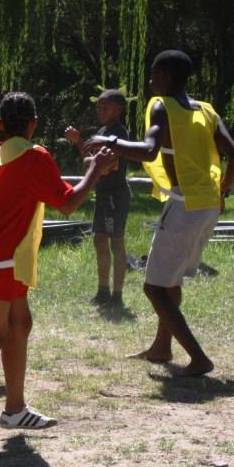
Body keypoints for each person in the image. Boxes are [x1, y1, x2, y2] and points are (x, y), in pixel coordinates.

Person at [0, 92, 116, 439]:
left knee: (20, 324)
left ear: (0, 125)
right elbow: (67, 204)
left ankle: (15, 409)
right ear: (33, 124)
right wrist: (96, 168)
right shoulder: (34, 156)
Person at [84, 50, 234, 376]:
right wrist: (223, 191)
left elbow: (148, 150)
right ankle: (161, 347)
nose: (151, 80)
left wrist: (108, 140)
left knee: (153, 288)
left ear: (168, 76)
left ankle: (198, 358)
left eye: (155, 73)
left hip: (185, 205)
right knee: (168, 283)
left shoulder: (162, 106)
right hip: (207, 204)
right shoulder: (207, 110)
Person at [65, 89, 132, 308]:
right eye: (99, 107)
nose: (100, 111)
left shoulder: (119, 134)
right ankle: (103, 291)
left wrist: (95, 166)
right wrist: (78, 141)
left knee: (117, 243)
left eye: (106, 107)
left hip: (116, 195)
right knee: (100, 241)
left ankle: (117, 295)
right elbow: (90, 159)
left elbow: (110, 165)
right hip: (103, 193)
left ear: (119, 109)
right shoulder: (103, 131)